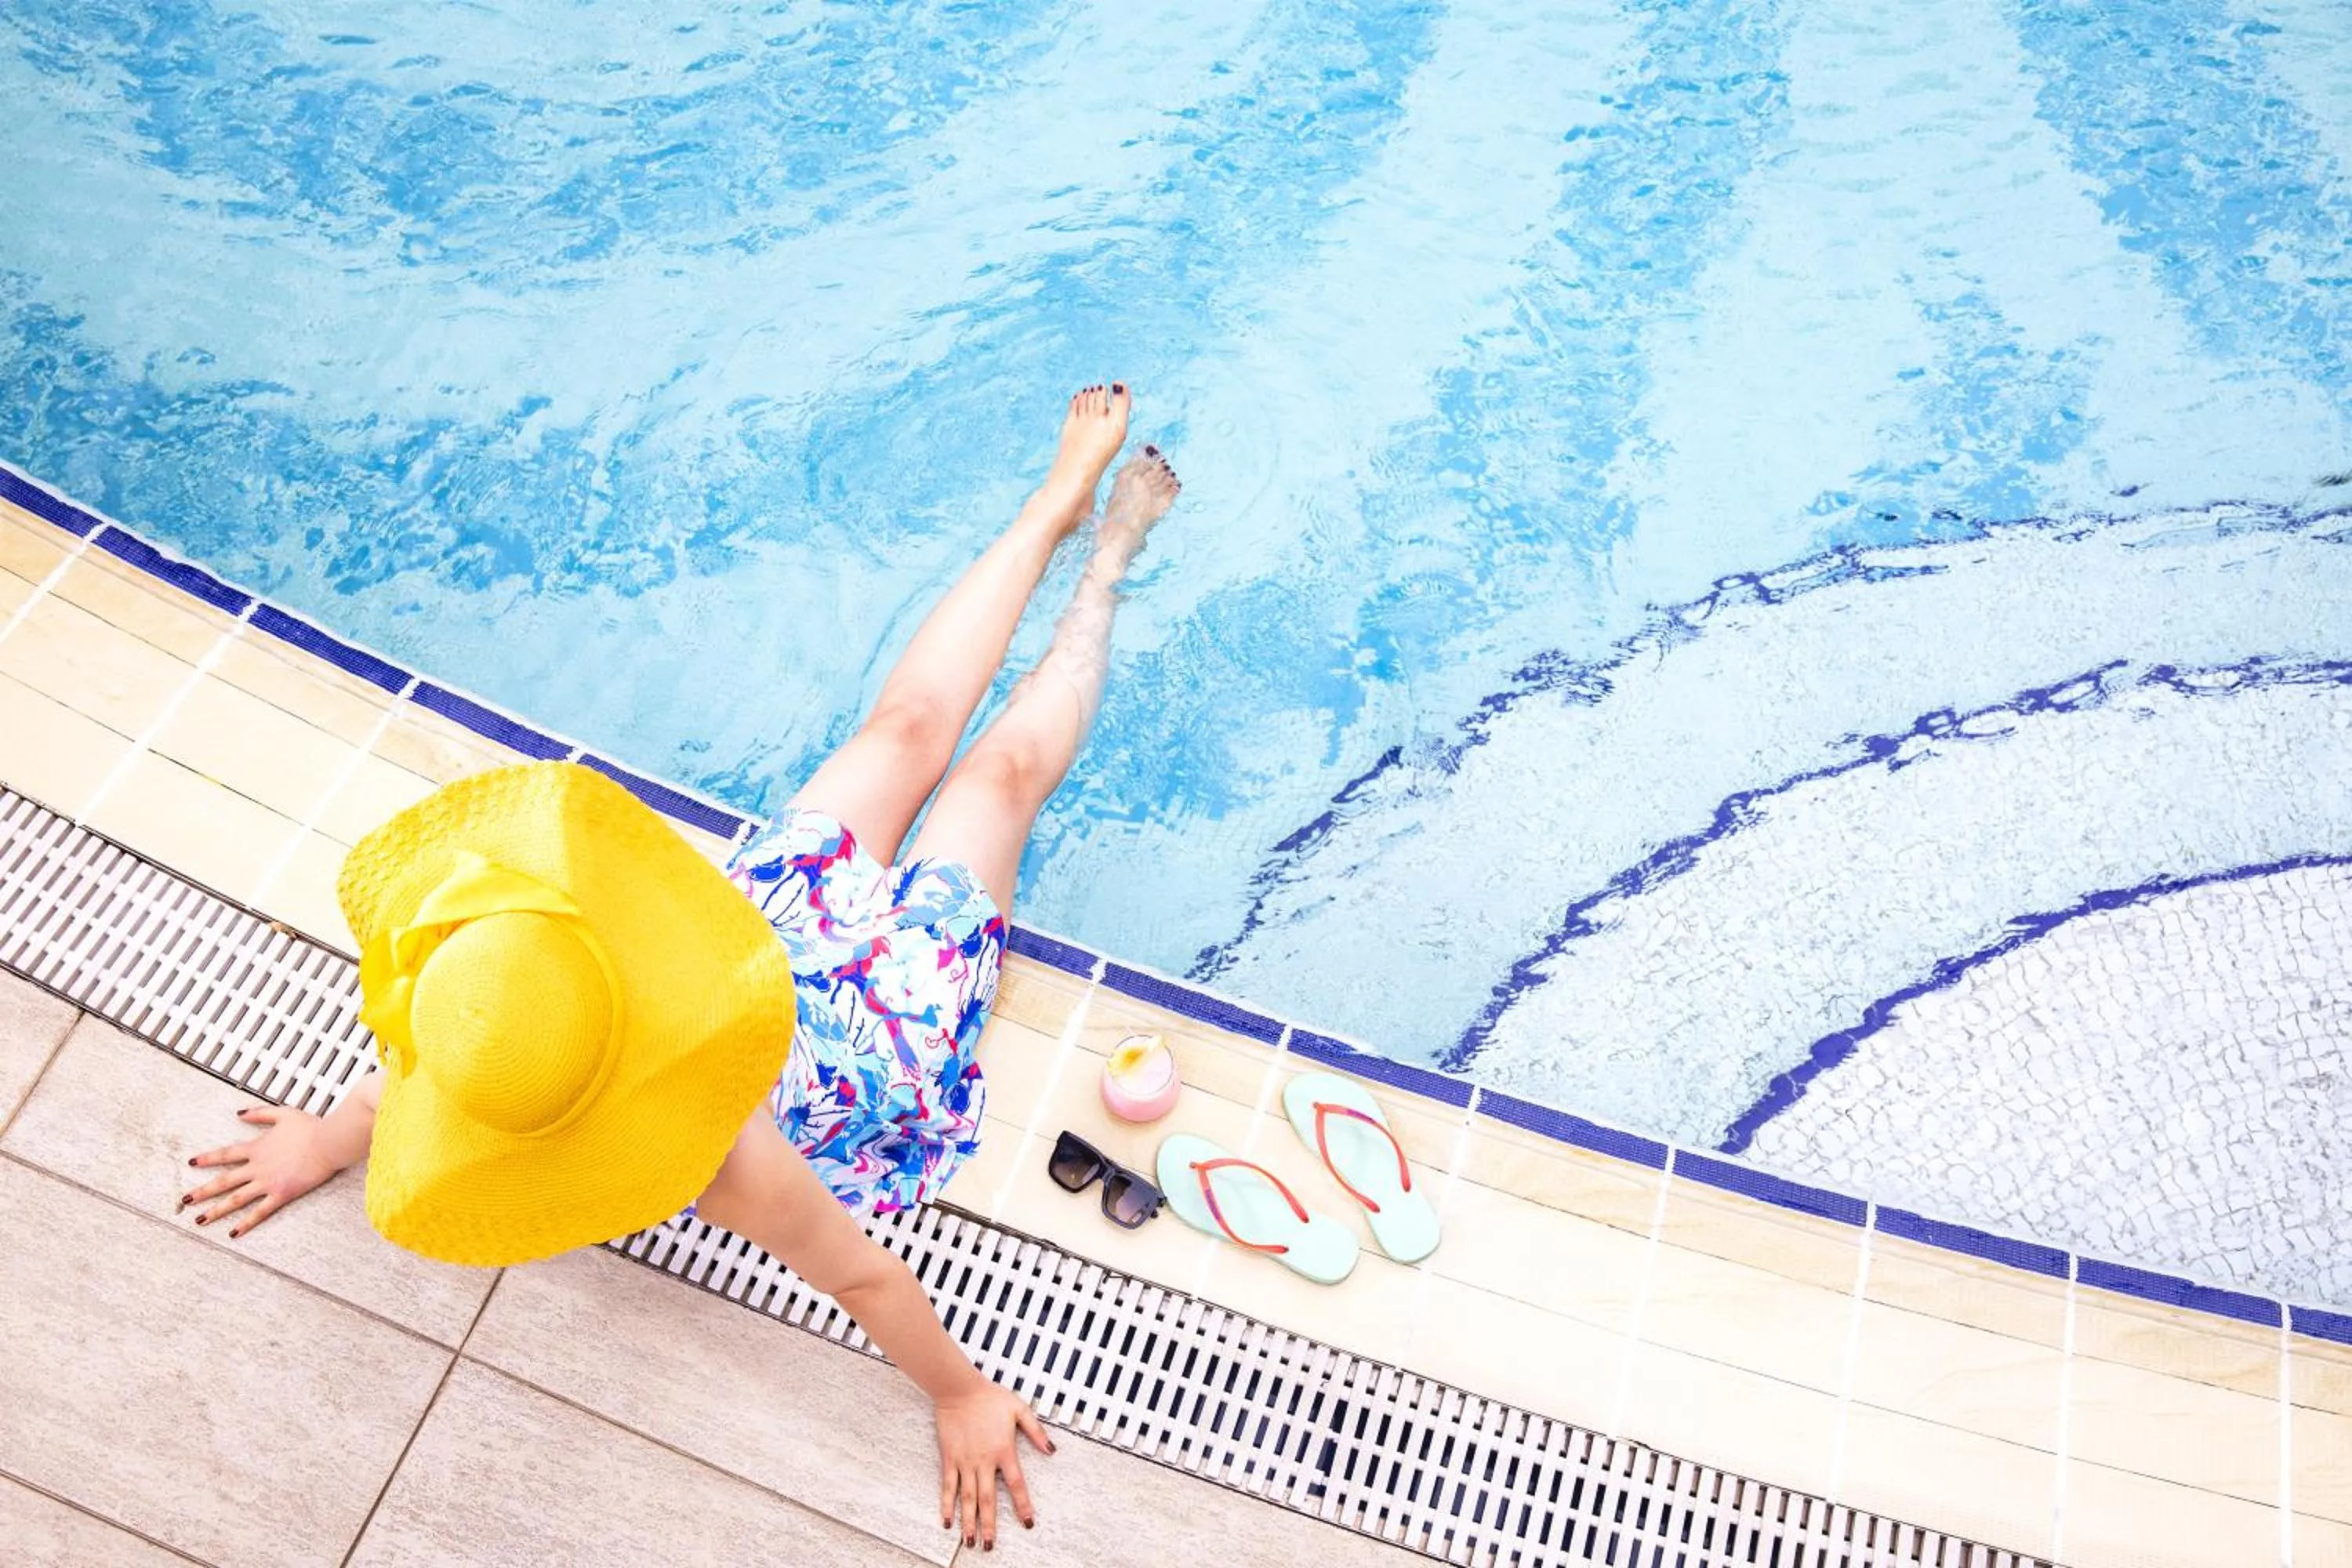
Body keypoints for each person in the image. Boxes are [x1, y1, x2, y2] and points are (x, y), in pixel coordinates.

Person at [176, 385, 1178, 1552]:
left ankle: (1053, 507)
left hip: (757, 941)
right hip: (877, 1035)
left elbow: (429, 1056)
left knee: (906, 726)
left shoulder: (518, 986)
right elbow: (861, 1281)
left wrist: (324, 1136)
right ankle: (1104, 565)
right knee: (992, 776)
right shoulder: (721, 1153)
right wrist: (963, 1393)